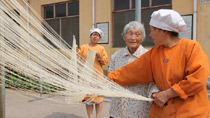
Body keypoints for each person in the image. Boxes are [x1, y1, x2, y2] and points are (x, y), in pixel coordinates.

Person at [108, 9, 210, 118]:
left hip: (191, 113)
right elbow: (131, 71)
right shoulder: (154, 53)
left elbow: (197, 80)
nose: (151, 35)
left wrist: (168, 94)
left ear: (164, 31)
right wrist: (107, 78)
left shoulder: (191, 47)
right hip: (163, 113)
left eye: (152, 30)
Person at [108, 21, 159, 118]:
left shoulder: (149, 56)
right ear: (124, 36)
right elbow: (110, 78)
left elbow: (154, 82)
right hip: (117, 110)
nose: (133, 38)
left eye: (137, 34)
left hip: (139, 110)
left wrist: (154, 94)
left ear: (142, 38)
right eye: (129, 33)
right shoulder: (116, 56)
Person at [78, 28, 109, 118]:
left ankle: (98, 117)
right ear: (90, 36)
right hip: (86, 76)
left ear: (99, 38)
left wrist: (99, 57)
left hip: (97, 76)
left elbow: (105, 62)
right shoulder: (83, 47)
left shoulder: (101, 48)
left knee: (98, 97)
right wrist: (75, 50)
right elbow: (78, 58)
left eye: (97, 35)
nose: (95, 36)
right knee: (88, 98)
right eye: (93, 34)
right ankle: (90, 117)